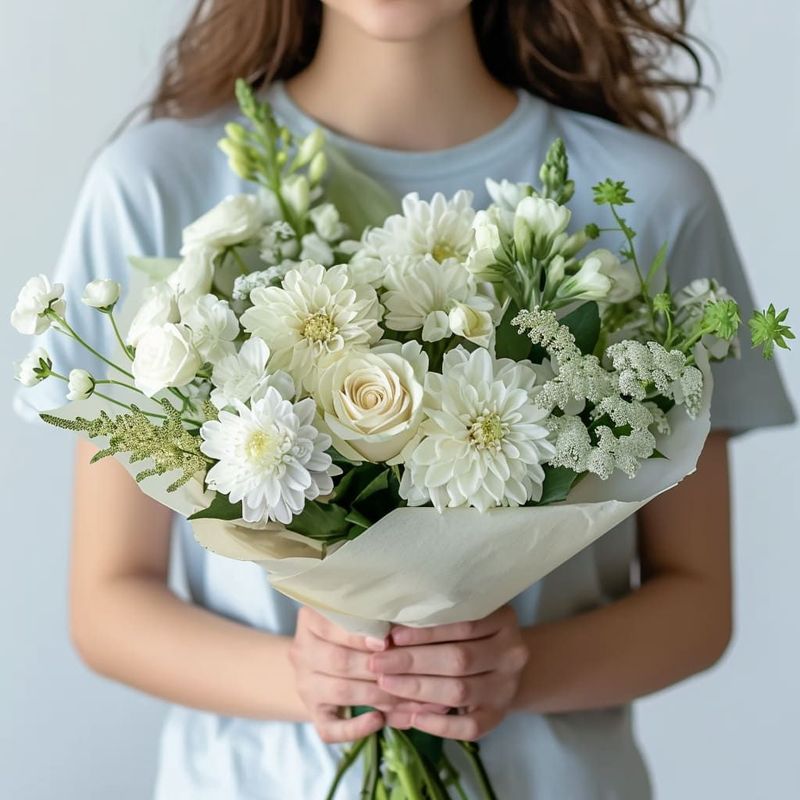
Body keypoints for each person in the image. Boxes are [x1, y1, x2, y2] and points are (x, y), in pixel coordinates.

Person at [15, 1, 796, 798]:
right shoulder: (156, 184)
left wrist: (517, 671)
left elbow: (698, 601)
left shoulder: (652, 196)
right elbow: (108, 602)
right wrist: (301, 677)